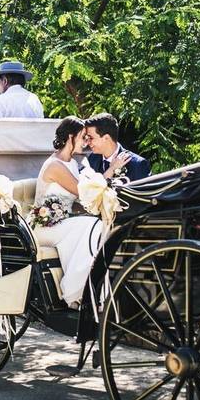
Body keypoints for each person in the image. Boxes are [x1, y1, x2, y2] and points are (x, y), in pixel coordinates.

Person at [32, 117, 102, 306]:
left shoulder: (71, 162)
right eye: (83, 138)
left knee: (95, 224)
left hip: (62, 222)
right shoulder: (55, 165)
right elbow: (82, 192)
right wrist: (110, 172)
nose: (86, 143)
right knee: (93, 225)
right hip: (45, 225)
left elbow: (78, 200)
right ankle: (73, 291)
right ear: (71, 137)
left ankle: (90, 289)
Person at [84, 113, 151, 182]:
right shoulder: (92, 159)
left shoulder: (137, 164)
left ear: (106, 138)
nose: (87, 142)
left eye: (91, 138)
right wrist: (112, 169)